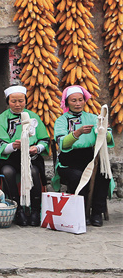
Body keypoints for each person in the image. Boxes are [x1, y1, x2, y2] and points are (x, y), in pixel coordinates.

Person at [52, 85, 115, 227]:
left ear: (85, 101)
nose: (78, 103)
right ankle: (81, 213)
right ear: (67, 102)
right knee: (77, 177)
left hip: (91, 159)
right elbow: (63, 144)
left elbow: (109, 140)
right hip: (69, 161)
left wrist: (104, 130)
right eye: (73, 100)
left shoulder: (93, 118)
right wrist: (77, 133)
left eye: (80, 100)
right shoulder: (61, 121)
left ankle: (96, 213)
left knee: (103, 175)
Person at [0, 86, 49, 227]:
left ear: (26, 100)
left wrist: (36, 148)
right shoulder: (2, 119)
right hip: (10, 158)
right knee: (7, 172)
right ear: (8, 102)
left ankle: (36, 210)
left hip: (31, 157)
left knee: (33, 171)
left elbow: (44, 139)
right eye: (13, 101)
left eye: (21, 101)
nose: (18, 104)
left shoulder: (33, 117)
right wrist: (14, 146)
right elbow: (1, 145)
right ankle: (17, 209)